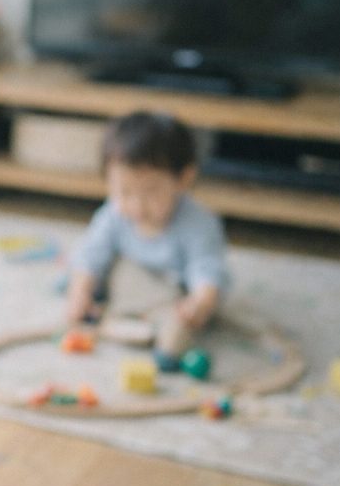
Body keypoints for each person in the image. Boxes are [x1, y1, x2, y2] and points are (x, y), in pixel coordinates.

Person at [66, 111, 230, 365]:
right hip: (128, 285)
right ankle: (120, 316)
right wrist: (80, 292)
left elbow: (206, 267)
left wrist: (200, 302)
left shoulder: (198, 223)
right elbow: (92, 254)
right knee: (101, 277)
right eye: (124, 191)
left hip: (174, 296)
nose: (137, 205)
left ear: (183, 179)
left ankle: (161, 339)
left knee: (182, 326)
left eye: (151, 192)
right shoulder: (113, 214)